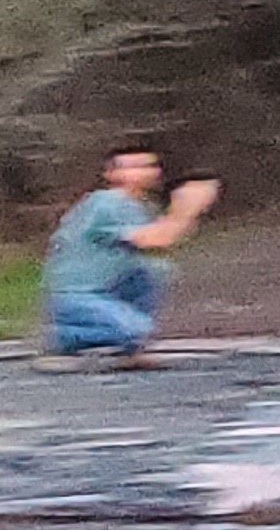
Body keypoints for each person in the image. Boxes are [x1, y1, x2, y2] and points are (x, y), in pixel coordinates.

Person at [43, 146, 219, 369]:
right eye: (133, 167)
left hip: (109, 289)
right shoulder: (106, 203)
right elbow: (154, 240)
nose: (145, 172)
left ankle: (108, 336)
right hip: (78, 296)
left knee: (156, 269)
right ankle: (71, 334)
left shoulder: (139, 206)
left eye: (149, 166)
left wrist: (185, 214)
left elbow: (162, 244)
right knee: (137, 330)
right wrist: (187, 207)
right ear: (111, 174)